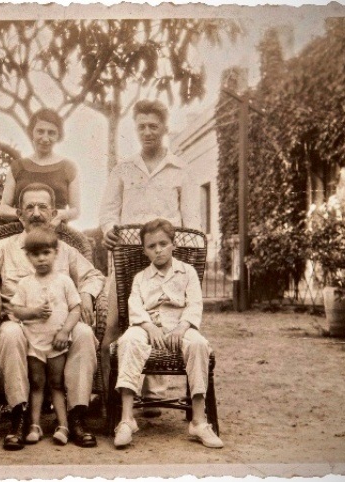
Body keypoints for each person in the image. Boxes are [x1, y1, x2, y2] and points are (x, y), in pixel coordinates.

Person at [0, 182, 104, 450]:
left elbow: (93, 276)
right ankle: (18, 417)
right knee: (9, 333)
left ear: (53, 212)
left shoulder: (64, 249)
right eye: (29, 207)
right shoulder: (4, 247)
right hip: (21, 325)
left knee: (84, 332)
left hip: (60, 330)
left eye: (43, 207)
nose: (36, 213)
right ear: (19, 215)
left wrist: (87, 293)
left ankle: (77, 416)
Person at [98, 99, 199, 408]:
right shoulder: (123, 169)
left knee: (161, 317)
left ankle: (153, 394)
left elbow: (192, 221)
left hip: (165, 256)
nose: (147, 132)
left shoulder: (181, 170)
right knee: (114, 324)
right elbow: (108, 213)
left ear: (164, 128)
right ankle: (111, 397)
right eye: (141, 126)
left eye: (153, 126)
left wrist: (183, 259)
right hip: (127, 256)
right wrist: (109, 230)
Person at [113, 219, 223, 449]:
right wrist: (148, 326)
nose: (158, 250)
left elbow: (194, 303)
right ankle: (126, 419)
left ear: (173, 244)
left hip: (180, 326)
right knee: (128, 341)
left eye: (163, 244)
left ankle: (199, 420)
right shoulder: (141, 277)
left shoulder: (187, 272)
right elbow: (135, 305)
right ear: (144, 250)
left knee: (199, 344)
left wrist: (182, 327)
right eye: (151, 246)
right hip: (147, 326)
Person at [11, 227, 82, 445]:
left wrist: (65, 331)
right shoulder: (25, 283)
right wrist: (33, 312)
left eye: (46, 253)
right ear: (28, 256)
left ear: (55, 253)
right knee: (37, 383)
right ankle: (35, 425)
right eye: (35, 254)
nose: (41, 258)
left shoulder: (64, 281)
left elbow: (75, 308)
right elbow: (16, 310)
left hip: (57, 342)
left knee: (57, 383)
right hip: (34, 341)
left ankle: (63, 426)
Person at [0, 108, 81, 226]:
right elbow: (3, 209)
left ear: (58, 135)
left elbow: (76, 210)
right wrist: (25, 214)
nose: (45, 138)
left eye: (51, 133)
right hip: (23, 231)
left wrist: (59, 214)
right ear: (32, 132)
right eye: (40, 131)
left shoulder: (68, 167)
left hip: (56, 230)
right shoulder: (17, 167)